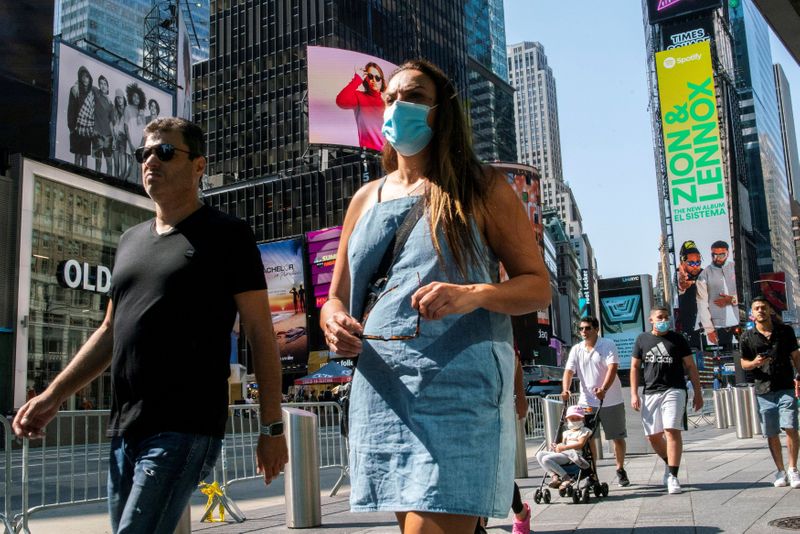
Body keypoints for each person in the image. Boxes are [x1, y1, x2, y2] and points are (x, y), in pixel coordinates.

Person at [12, 117, 288, 533]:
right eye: (144, 154)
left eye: (164, 152)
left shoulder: (228, 236)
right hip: (125, 430)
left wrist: (271, 427)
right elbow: (109, 332)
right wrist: (53, 395)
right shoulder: (130, 241)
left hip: (185, 426)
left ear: (199, 166)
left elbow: (260, 334)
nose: (150, 162)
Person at [320, 59, 550, 533]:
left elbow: (537, 286)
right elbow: (336, 296)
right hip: (382, 390)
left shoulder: (482, 187)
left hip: (457, 389)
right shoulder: (365, 198)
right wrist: (334, 319)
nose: (396, 106)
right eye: (390, 98)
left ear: (442, 112)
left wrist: (475, 294)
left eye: (414, 97)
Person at [631, 307, 703, 495]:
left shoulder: (678, 339)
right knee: (653, 436)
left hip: (674, 389)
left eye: (665, 317)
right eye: (659, 317)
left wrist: (698, 392)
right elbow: (634, 367)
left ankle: (673, 476)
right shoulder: (642, 339)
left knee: (671, 430)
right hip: (650, 391)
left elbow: (690, 366)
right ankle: (669, 462)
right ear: (651, 320)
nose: (663, 320)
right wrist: (633, 393)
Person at [738, 296, 800, 488]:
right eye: (757, 308)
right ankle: (780, 471)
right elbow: (743, 364)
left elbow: (796, 355)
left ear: (770, 310)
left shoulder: (785, 331)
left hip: (785, 386)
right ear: (752, 313)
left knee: (790, 426)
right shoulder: (747, 337)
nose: (760, 311)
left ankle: (793, 469)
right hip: (763, 389)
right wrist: (755, 363)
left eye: (764, 307)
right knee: (771, 432)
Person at [562, 316, 629, 487]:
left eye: (587, 328)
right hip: (587, 402)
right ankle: (592, 474)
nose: (584, 332)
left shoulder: (607, 344)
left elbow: (612, 368)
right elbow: (569, 371)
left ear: (596, 329)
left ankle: (620, 469)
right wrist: (566, 389)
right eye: (581, 329)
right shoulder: (576, 349)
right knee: (587, 438)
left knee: (617, 437)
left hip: (611, 400)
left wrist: (604, 389)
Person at [535, 405, 592, 490]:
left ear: (582, 419)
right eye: (572, 419)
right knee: (539, 454)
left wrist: (564, 447)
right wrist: (557, 446)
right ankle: (554, 476)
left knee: (546, 459)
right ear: (567, 420)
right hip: (564, 453)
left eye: (578, 418)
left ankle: (566, 477)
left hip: (573, 455)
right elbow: (562, 444)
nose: (575, 421)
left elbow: (580, 444)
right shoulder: (566, 433)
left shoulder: (584, 431)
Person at [335, 62, 386, 151]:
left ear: (382, 81)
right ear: (366, 78)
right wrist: (357, 79)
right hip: (369, 155)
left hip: (388, 155)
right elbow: (341, 101)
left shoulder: (386, 103)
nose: (374, 80)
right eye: (370, 76)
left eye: (377, 78)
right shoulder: (359, 97)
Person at [696, 240, 738, 347]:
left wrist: (732, 299)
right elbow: (702, 304)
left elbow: (747, 292)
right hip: (718, 326)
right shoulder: (704, 275)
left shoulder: (736, 268)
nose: (717, 258)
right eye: (714, 254)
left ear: (727, 253)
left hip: (741, 321)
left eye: (721, 254)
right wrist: (709, 330)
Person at [676, 240, 703, 348]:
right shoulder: (679, 273)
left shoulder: (704, 272)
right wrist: (683, 285)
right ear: (683, 261)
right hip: (688, 323)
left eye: (698, 262)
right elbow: (680, 285)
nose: (695, 266)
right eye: (691, 263)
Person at [67, 65, 95, 168]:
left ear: (89, 78)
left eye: (87, 76)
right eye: (83, 76)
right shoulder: (75, 90)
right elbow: (71, 109)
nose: (85, 79)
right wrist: (71, 126)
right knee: (77, 155)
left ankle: (84, 177)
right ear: (80, 77)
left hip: (87, 130)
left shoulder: (92, 93)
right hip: (77, 128)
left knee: (85, 156)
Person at [124, 83, 147, 185]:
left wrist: (142, 145)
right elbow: (126, 127)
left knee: (138, 165)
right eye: (134, 96)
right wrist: (130, 144)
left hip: (140, 144)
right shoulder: (127, 109)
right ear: (130, 97)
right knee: (130, 165)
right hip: (131, 143)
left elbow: (144, 131)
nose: (136, 98)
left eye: (138, 97)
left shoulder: (141, 112)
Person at [93, 75, 115, 175]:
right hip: (97, 134)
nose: (103, 86)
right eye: (101, 83)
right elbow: (89, 85)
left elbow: (111, 122)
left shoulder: (111, 104)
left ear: (108, 86)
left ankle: (109, 183)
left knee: (109, 163)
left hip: (108, 136)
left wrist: (113, 138)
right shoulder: (97, 95)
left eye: (105, 84)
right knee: (98, 162)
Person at [110, 89, 129, 179]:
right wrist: (113, 138)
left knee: (123, 169)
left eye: (120, 98)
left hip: (124, 139)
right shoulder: (114, 110)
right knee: (116, 166)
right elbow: (111, 124)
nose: (119, 100)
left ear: (124, 98)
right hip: (115, 138)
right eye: (117, 98)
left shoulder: (127, 109)